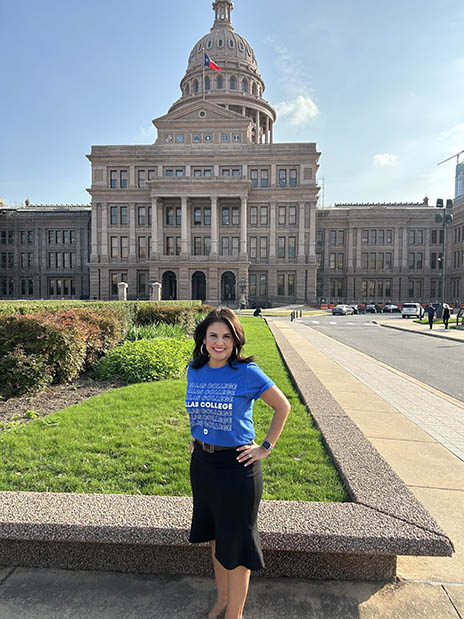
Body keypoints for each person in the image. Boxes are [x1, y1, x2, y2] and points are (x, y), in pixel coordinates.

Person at [185, 307, 290, 619]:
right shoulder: (195, 369)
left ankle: (235, 614)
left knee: (237, 546)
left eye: (226, 337)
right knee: (217, 540)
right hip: (204, 466)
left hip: (237, 469)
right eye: (214, 335)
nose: (220, 342)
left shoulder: (247, 373)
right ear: (203, 339)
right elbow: (199, 408)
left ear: (235, 341)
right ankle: (221, 600)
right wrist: (199, 436)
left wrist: (265, 447)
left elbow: (282, 407)